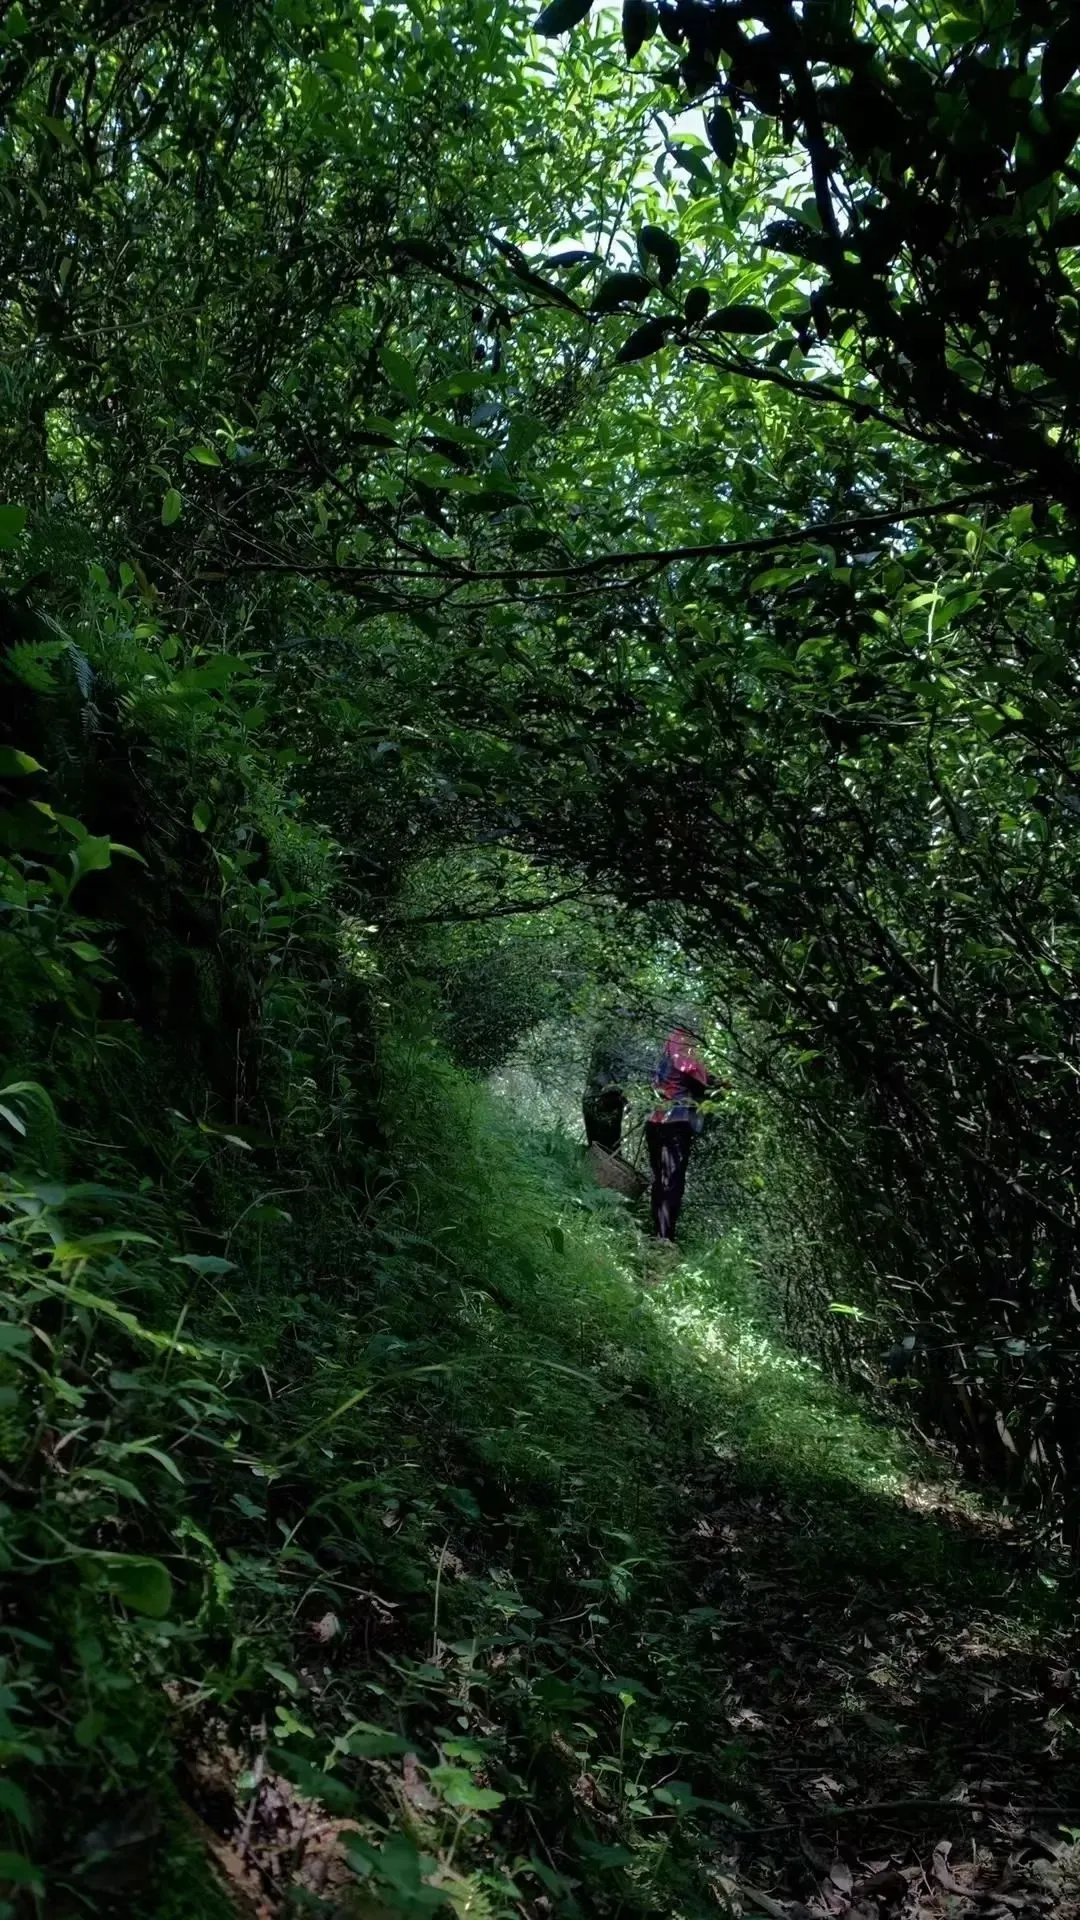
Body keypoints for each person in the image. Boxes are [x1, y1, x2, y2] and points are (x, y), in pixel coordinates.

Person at [644, 1023, 715, 1242]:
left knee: (662, 1181)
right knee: (671, 1183)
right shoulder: (683, 1043)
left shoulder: (671, 1040)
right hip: (672, 1123)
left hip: (657, 1121)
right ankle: (664, 1239)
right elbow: (693, 1075)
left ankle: (660, 1235)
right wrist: (720, 1084)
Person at [582, 1011, 649, 1155]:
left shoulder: (604, 1038)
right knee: (608, 1151)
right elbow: (617, 1078)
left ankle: (588, 1175)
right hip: (606, 1101)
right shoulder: (619, 1043)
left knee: (598, 1149)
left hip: (592, 1098)